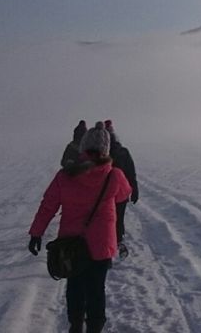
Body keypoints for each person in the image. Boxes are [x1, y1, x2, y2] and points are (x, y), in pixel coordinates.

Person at [29, 123, 132, 333]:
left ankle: (75, 325)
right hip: (101, 245)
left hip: (71, 243)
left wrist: (36, 233)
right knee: (96, 289)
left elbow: (48, 205)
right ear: (106, 149)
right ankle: (95, 328)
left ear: (82, 147)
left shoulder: (65, 176)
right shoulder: (114, 175)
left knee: (75, 285)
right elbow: (124, 194)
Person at [105, 120, 139, 257]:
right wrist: (134, 188)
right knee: (119, 217)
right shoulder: (123, 151)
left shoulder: (101, 153)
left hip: (106, 193)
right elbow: (131, 171)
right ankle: (118, 240)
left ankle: (110, 244)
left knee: (107, 218)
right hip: (121, 192)